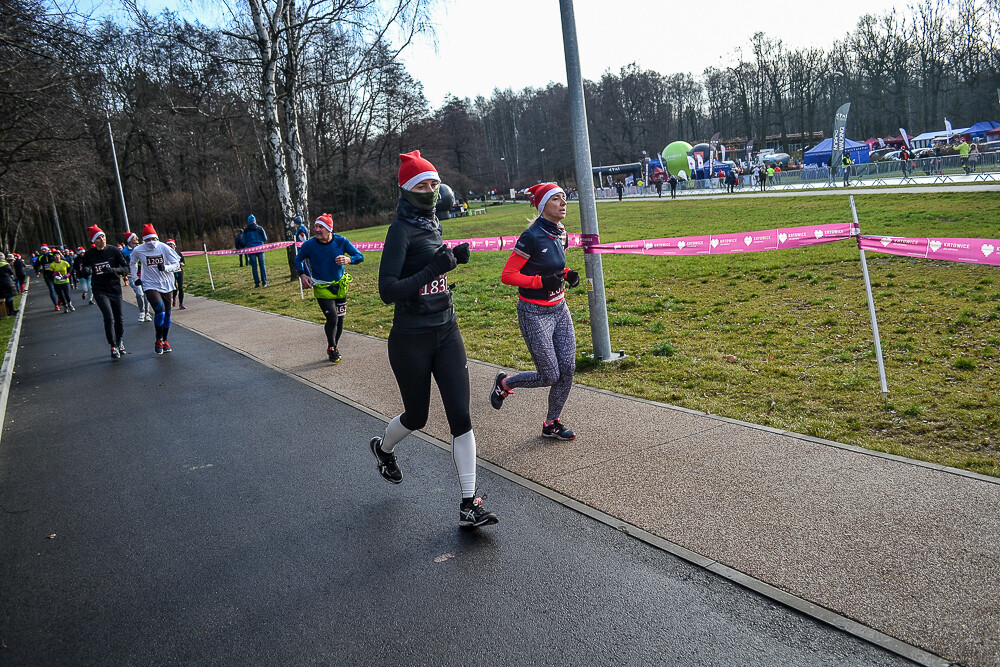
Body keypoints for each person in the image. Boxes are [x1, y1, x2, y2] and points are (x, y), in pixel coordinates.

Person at [371, 150, 497, 529]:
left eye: (434, 184)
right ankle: (384, 448)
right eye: (422, 186)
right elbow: (387, 290)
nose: (430, 191)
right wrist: (437, 266)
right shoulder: (400, 230)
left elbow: (434, 269)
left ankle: (468, 504)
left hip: (447, 330)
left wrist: (451, 259)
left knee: (461, 415)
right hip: (411, 338)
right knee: (418, 416)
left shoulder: (431, 223)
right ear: (408, 190)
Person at [491, 181, 579, 441]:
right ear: (543, 206)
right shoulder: (531, 237)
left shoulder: (561, 233)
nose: (563, 202)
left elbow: (551, 265)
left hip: (559, 309)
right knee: (550, 374)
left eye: (564, 197)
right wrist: (542, 283)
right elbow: (508, 276)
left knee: (568, 369)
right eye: (556, 199)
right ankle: (505, 384)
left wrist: (566, 274)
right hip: (534, 313)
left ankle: (552, 423)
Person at [295, 213, 364, 363]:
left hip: (340, 286)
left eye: (321, 227)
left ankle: (334, 346)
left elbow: (360, 256)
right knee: (332, 318)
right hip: (321, 286)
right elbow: (298, 259)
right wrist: (303, 275)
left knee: (340, 320)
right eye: (316, 226)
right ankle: (332, 347)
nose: (317, 229)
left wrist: (348, 259)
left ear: (329, 229)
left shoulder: (341, 241)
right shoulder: (309, 245)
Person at [128, 224, 182, 354]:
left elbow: (177, 263)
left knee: (168, 314)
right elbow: (133, 263)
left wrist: (166, 268)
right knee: (160, 311)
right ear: (143, 240)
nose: (151, 242)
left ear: (157, 238)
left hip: (167, 284)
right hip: (149, 284)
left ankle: (165, 340)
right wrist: (135, 278)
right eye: (148, 240)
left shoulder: (164, 247)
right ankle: (158, 339)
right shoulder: (138, 250)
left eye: (153, 239)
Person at [80, 225, 130, 360]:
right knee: (108, 317)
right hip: (100, 290)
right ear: (94, 242)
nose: (102, 240)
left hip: (114, 289)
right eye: (98, 238)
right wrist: (85, 271)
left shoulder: (114, 251)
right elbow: (83, 267)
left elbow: (126, 268)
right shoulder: (90, 254)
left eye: (103, 237)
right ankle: (113, 345)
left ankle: (119, 341)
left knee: (119, 318)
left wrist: (114, 270)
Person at [121, 231, 151, 322]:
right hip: (132, 275)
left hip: (143, 274)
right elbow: (123, 264)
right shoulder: (124, 252)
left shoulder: (140, 248)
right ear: (130, 240)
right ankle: (141, 311)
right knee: (139, 293)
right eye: (135, 237)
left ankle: (147, 312)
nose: (137, 238)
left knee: (146, 293)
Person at [242, 214, 268, 287]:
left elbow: (243, 241)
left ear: (248, 221)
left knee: (254, 267)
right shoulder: (260, 228)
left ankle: (257, 283)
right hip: (260, 248)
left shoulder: (246, 230)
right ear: (255, 220)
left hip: (251, 250)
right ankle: (264, 282)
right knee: (262, 266)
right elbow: (265, 238)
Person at [36, 244, 61, 310]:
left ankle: (60, 299)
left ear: (47, 249)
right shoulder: (40, 257)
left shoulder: (52, 255)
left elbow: (60, 261)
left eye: (45, 249)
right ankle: (56, 305)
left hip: (56, 274)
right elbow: (36, 265)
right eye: (42, 249)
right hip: (47, 275)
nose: (43, 250)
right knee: (51, 289)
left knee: (59, 289)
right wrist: (38, 270)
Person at [165, 239, 186, 309]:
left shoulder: (178, 253)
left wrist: (182, 264)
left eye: (172, 244)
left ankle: (181, 303)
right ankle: (173, 298)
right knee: (174, 288)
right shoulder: (165, 254)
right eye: (169, 244)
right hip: (171, 273)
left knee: (181, 287)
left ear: (174, 245)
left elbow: (183, 261)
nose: (171, 246)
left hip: (179, 271)